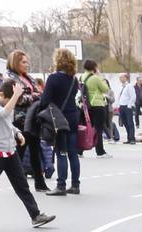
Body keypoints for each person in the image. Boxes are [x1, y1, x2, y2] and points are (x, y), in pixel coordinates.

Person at [0, 81, 56, 230]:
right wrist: (15, 95)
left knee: (22, 184)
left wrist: (17, 133)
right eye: (9, 99)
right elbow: (3, 113)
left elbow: (8, 122)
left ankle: (35, 216)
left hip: (10, 150)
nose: (12, 103)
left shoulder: (6, 102)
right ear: (2, 94)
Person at [5, 51, 48, 192]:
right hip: (20, 120)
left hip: (33, 118)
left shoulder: (28, 78)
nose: (26, 64)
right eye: (23, 62)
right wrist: (34, 96)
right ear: (15, 63)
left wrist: (34, 95)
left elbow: (38, 93)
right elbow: (18, 99)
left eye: (26, 61)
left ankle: (40, 183)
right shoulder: (11, 78)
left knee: (36, 152)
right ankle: (18, 184)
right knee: (19, 153)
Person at [42, 49, 82, 196]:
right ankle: (75, 185)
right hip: (73, 117)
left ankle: (61, 185)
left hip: (58, 119)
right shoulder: (74, 79)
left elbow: (45, 101)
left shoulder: (53, 78)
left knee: (61, 153)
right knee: (73, 153)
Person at [81, 59, 111, 158]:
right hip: (97, 105)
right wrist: (100, 76)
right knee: (98, 129)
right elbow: (105, 89)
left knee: (86, 128)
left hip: (86, 106)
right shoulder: (95, 78)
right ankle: (100, 151)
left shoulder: (81, 77)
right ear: (94, 67)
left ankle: (79, 150)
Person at [116, 73, 137, 143]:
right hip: (121, 106)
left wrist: (129, 106)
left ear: (126, 78)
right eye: (120, 78)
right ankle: (129, 138)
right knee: (125, 122)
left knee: (130, 122)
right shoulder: (121, 87)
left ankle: (132, 138)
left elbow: (133, 96)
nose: (120, 79)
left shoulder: (129, 86)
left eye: (122, 77)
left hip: (127, 106)